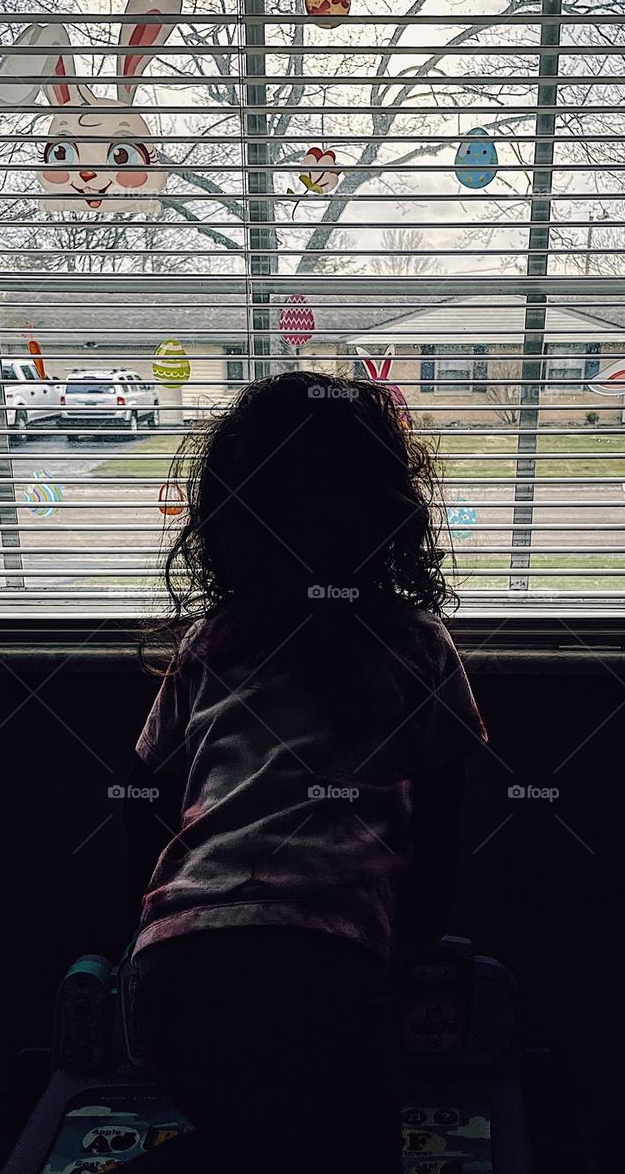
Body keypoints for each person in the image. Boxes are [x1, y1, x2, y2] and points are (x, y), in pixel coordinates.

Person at [120, 370, 488, 1172]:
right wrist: (409, 945)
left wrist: (175, 906)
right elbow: (446, 824)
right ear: (392, 514)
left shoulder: (215, 644)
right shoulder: (416, 647)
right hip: (326, 966)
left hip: (177, 968)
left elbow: (145, 797)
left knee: (250, 1140)